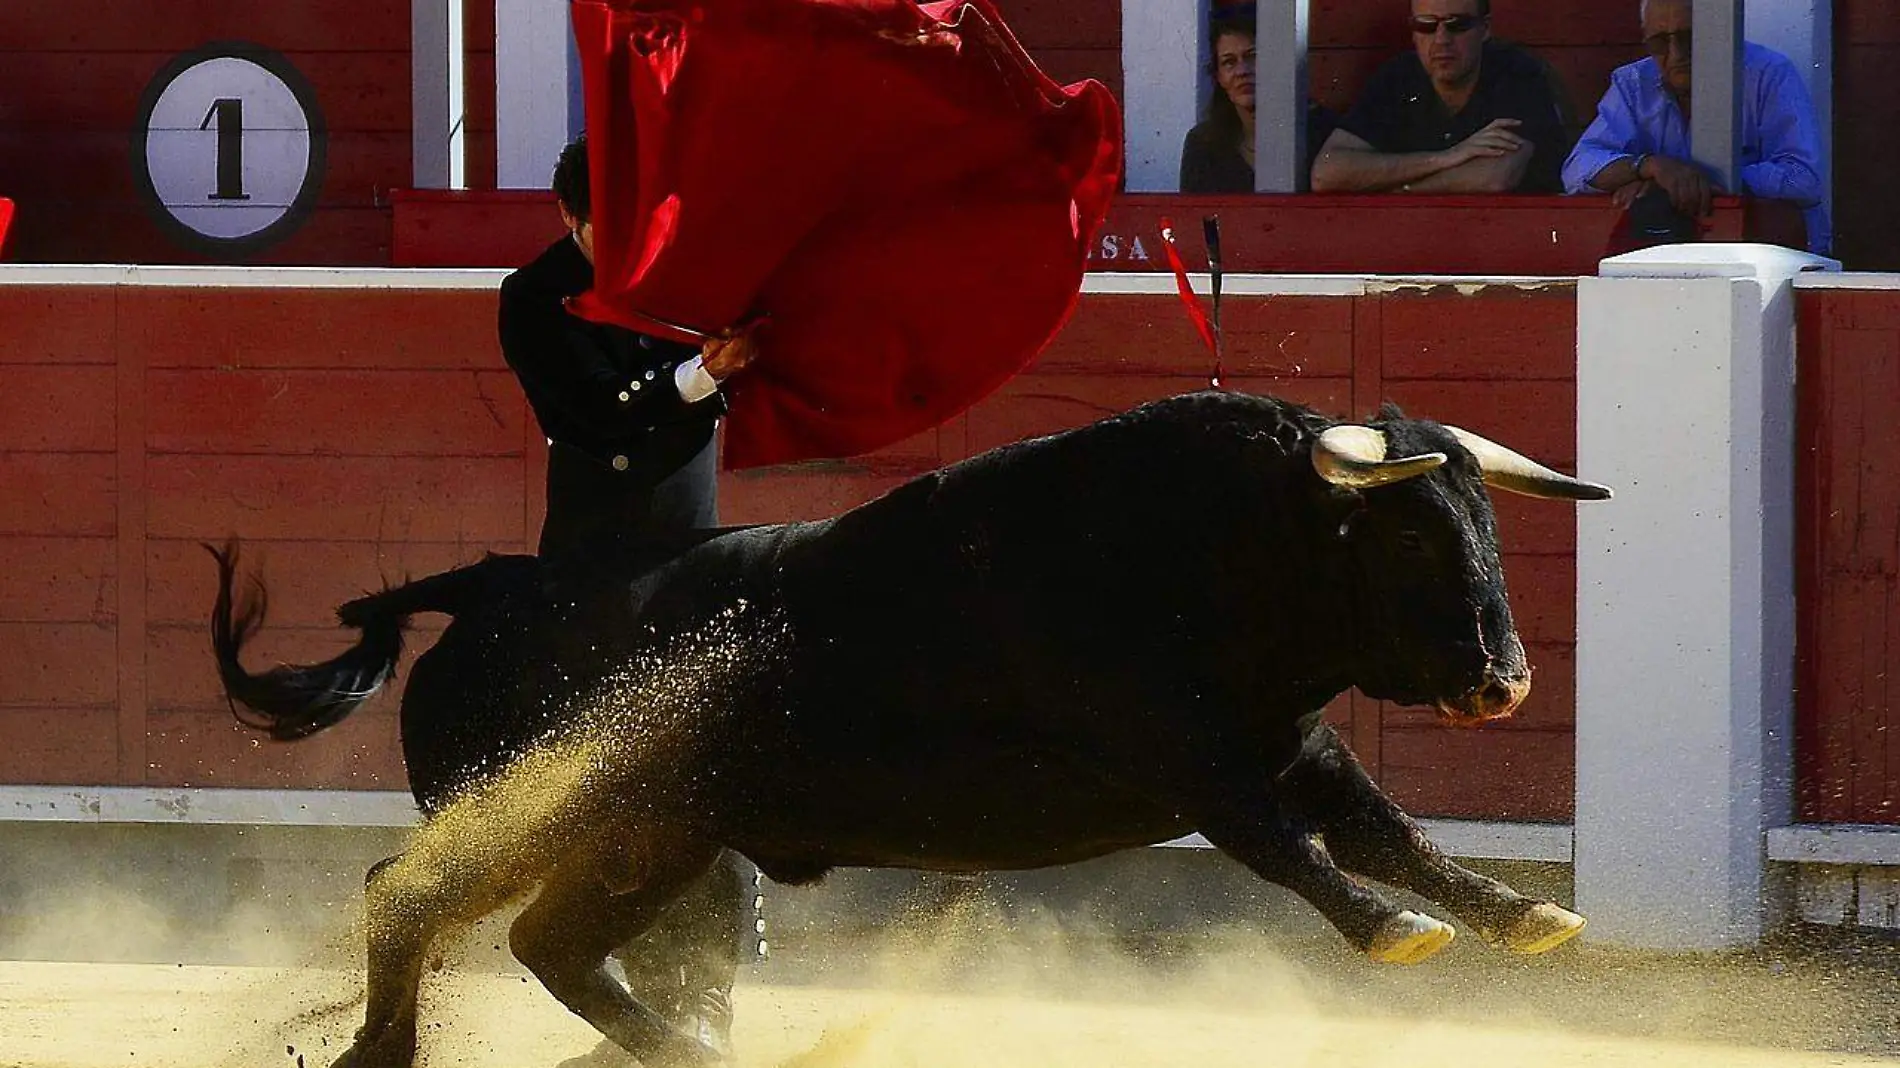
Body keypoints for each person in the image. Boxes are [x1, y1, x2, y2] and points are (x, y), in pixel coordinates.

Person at [498, 134, 762, 1065]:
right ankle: (656, 1002)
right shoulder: (533, 297)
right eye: (608, 229)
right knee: (623, 791)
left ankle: (706, 1009)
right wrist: (701, 376)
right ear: (567, 221)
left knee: (713, 785)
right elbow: (590, 417)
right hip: (600, 578)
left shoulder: (688, 275)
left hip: (691, 559)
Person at [1559, 0, 1829, 254]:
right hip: (1669, 255)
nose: (1676, 54)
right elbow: (1577, 169)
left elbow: (1804, 178)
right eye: (1660, 42)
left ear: (1718, 32)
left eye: (1689, 37)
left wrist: (1684, 181)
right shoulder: (1633, 82)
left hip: (1770, 257)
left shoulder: (1769, 73)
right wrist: (1651, 167)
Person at [1309, 0, 1572, 194]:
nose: (1442, 39)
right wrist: (1449, 156)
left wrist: (1397, 191)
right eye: (1426, 26)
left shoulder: (1516, 73)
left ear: (1486, 28)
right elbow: (1327, 173)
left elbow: (1492, 178)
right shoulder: (1399, 76)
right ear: (1413, 33)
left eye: (1457, 25)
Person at [1179, 13, 1338, 193]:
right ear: (1219, 77)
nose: (1242, 71)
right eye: (1229, 62)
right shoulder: (1203, 143)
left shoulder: (1322, 131)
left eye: (1252, 56)